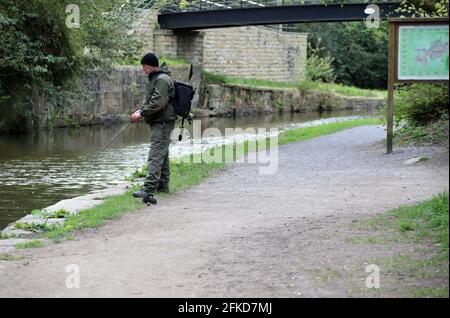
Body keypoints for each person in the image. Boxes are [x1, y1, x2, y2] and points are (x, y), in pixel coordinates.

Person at [131, 52, 177, 205]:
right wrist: (140, 111)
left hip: (163, 122)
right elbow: (152, 99)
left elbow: (158, 102)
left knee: (155, 155)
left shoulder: (162, 79)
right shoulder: (157, 78)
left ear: (151, 65)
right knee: (162, 155)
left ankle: (149, 189)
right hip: (159, 121)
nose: (143, 69)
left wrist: (142, 112)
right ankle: (163, 186)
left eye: (144, 66)